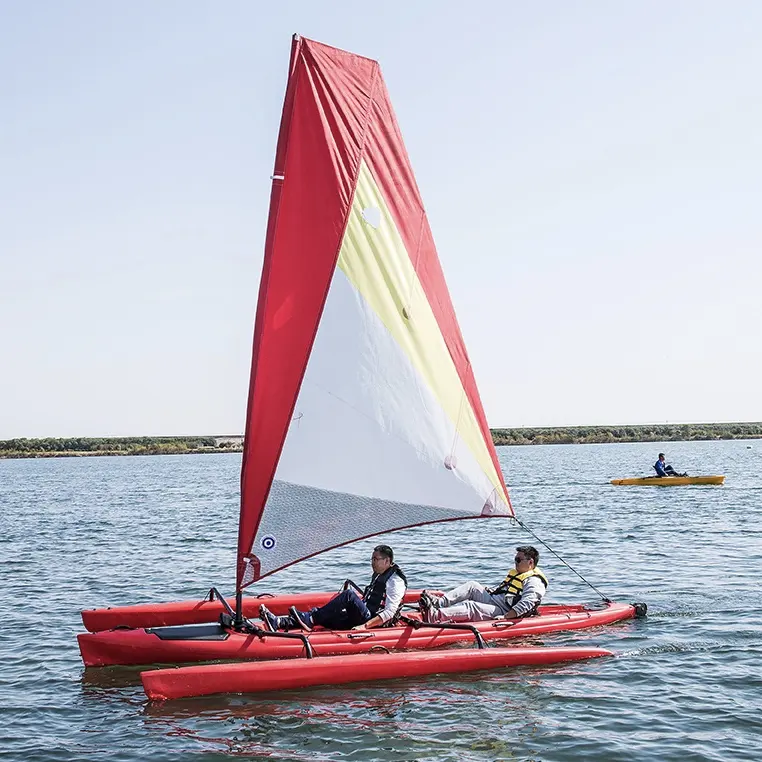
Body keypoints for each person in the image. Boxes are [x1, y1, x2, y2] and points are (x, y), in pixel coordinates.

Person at [259, 544, 407, 632]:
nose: (372, 562)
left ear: (387, 561)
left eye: (376, 559)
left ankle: (309, 618)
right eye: (372, 559)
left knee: (349, 594)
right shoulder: (379, 573)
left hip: (371, 621)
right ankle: (279, 623)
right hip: (362, 615)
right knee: (325, 616)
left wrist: (365, 627)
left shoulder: (395, 581)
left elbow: (390, 612)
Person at [419, 545, 548, 623]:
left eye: (518, 560)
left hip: (504, 610)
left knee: (471, 606)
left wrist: (506, 617)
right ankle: (438, 604)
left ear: (530, 562)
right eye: (515, 559)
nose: (515, 562)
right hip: (496, 601)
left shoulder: (534, 581)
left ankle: (436, 616)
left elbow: (528, 602)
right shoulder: (518, 573)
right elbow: (507, 591)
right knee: (472, 586)